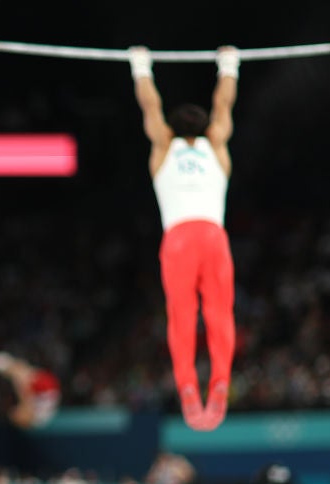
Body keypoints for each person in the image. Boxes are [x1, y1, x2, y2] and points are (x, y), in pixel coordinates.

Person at [129, 45, 240, 431]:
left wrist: (141, 65)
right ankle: (220, 382)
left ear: (173, 128)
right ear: (204, 126)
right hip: (213, 236)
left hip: (178, 239)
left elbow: (149, 105)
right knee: (219, 314)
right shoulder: (217, 144)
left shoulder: (163, 145)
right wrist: (229, 64)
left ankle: (189, 388)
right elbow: (223, 101)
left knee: (181, 316)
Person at [0, 351, 61, 429]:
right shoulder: (36, 416)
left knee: (21, 375)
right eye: (16, 413)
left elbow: (26, 395)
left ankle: (4, 363)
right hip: (46, 389)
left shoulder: (36, 416)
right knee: (20, 376)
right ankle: (2, 363)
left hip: (45, 390)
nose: (15, 410)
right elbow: (25, 393)